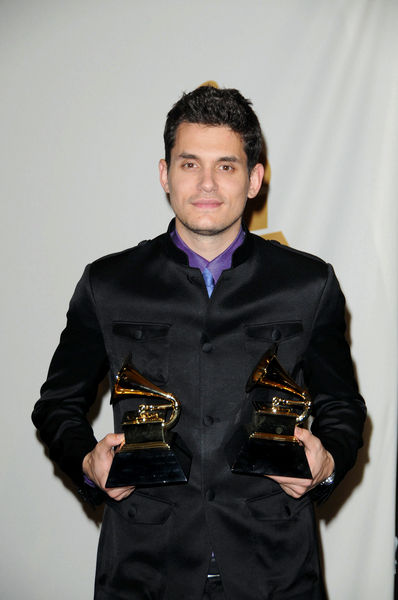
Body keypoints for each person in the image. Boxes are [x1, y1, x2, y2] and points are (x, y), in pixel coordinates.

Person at [32, 85, 366, 600]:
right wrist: (87, 462)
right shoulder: (109, 284)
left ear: (254, 179)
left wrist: (328, 462)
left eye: (227, 166)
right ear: (165, 174)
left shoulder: (309, 284)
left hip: (275, 569)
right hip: (144, 569)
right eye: (190, 164)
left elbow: (342, 406)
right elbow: (56, 405)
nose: (207, 183)